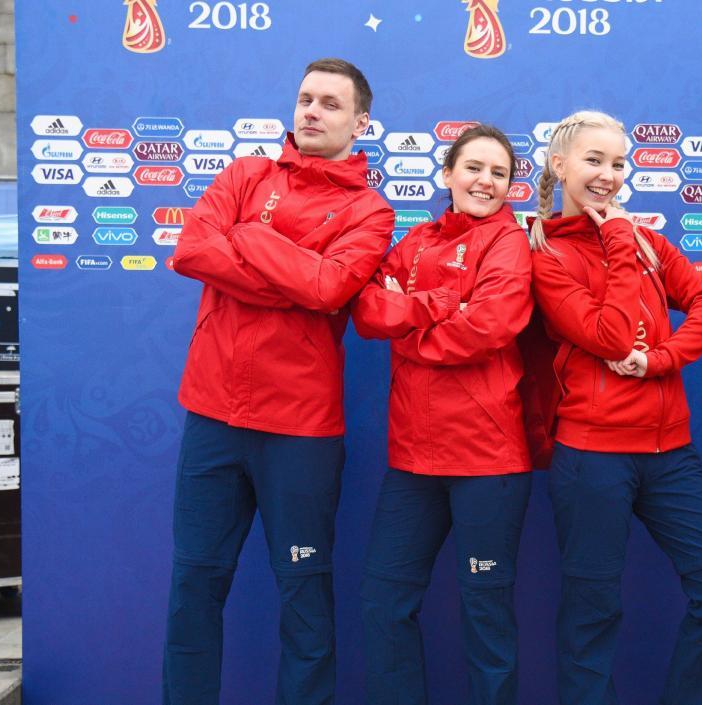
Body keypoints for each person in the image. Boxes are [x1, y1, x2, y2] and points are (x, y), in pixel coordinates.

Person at [163, 58, 394, 705]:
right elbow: (190, 250)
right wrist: (293, 271)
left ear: (361, 121)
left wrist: (247, 237)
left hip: (300, 432)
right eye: (305, 98)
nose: (312, 111)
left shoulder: (370, 211)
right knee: (194, 587)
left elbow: (329, 288)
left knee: (305, 596)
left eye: (330, 103)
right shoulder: (244, 174)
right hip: (212, 419)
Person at [528, 110, 702, 705]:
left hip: (670, 454)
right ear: (559, 165)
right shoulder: (545, 252)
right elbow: (610, 335)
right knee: (592, 613)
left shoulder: (648, 241)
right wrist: (619, 242)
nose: (608, 175)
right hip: (592, 458)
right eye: (593, 160)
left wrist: (662, 360)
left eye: (618, 163)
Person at [350, 124, 534, 705]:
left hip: (488, 460)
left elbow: (489, 325)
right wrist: (437, 305)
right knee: (384, 603)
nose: (485, 181)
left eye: (498, 173)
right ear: (448, 173)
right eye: (473, 167)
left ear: (510, 187)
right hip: (412, 460)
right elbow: (367, 309)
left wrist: (411, 332)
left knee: (486, 615)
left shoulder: (508, 242)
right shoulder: (417, 242)